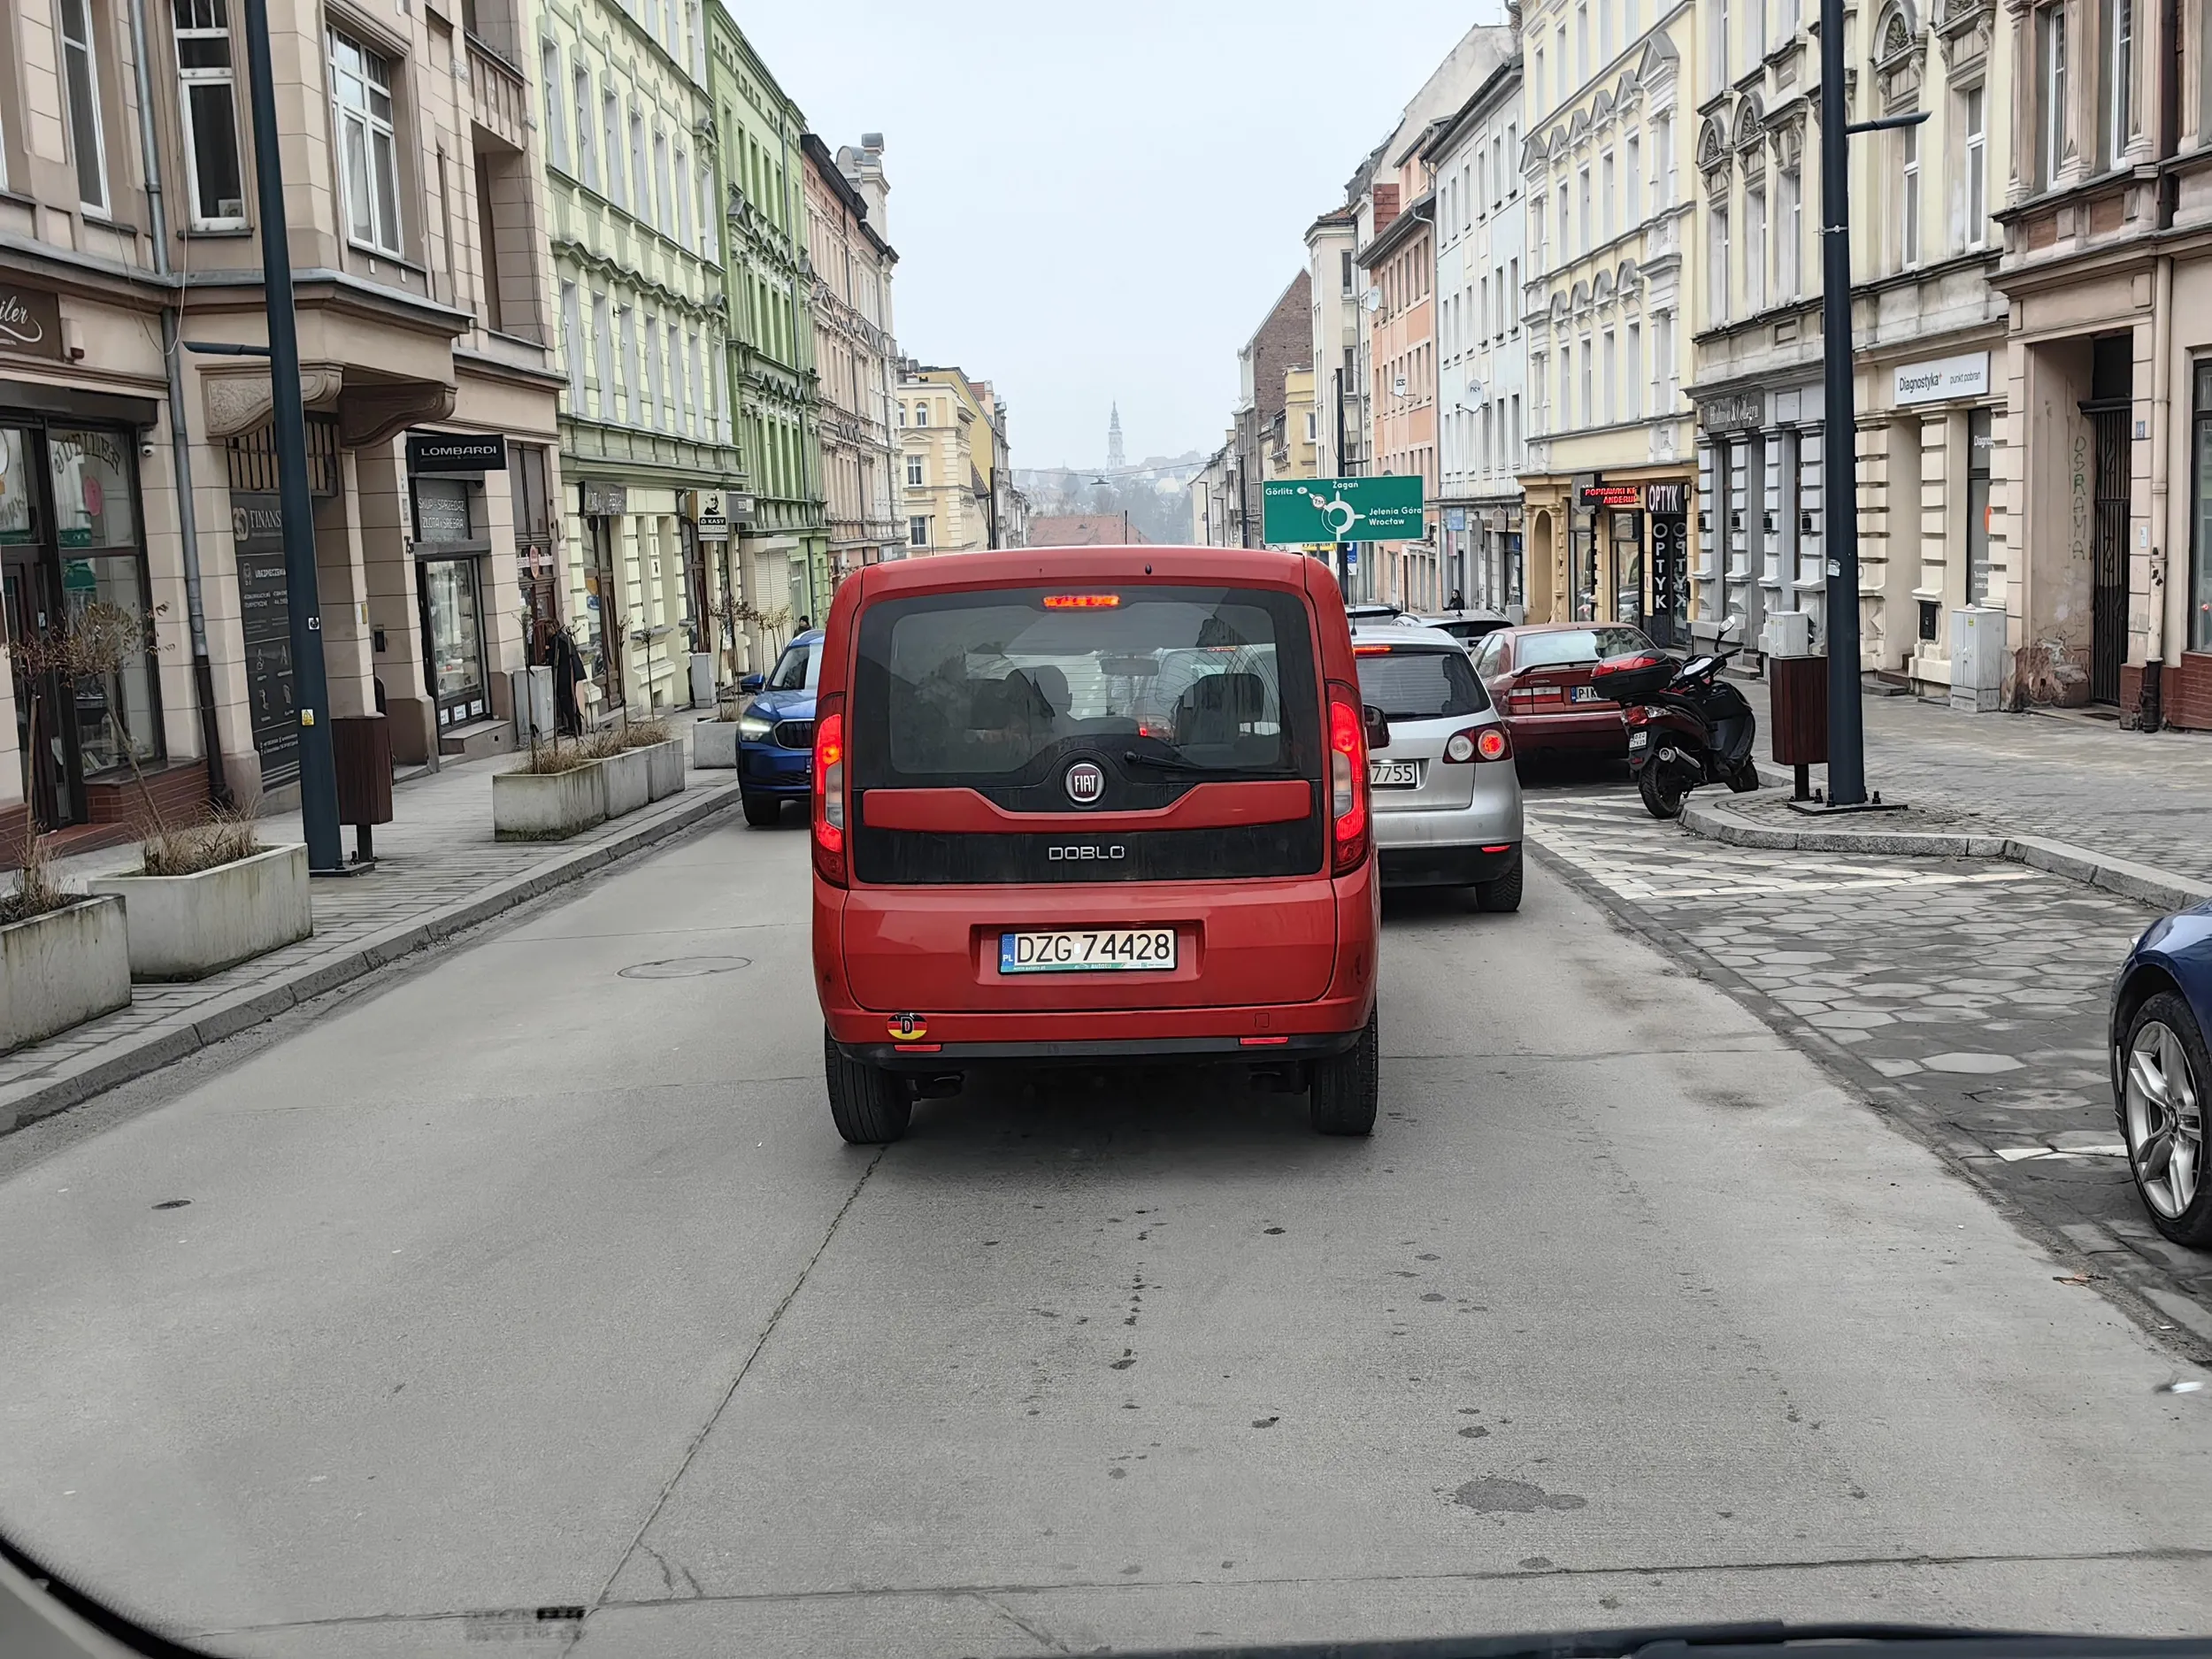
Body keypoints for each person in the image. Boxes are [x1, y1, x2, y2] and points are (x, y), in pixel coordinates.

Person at [548, 624, 587, 738]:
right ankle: (575, 727)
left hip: (566, 675)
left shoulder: (558, 640)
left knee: (567, 700)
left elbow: (556, 659)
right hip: (570, 673)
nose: (547, 632)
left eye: (548, 629)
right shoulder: (563, 637)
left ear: (553, 628)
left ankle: (574, 727)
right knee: (570, 700)